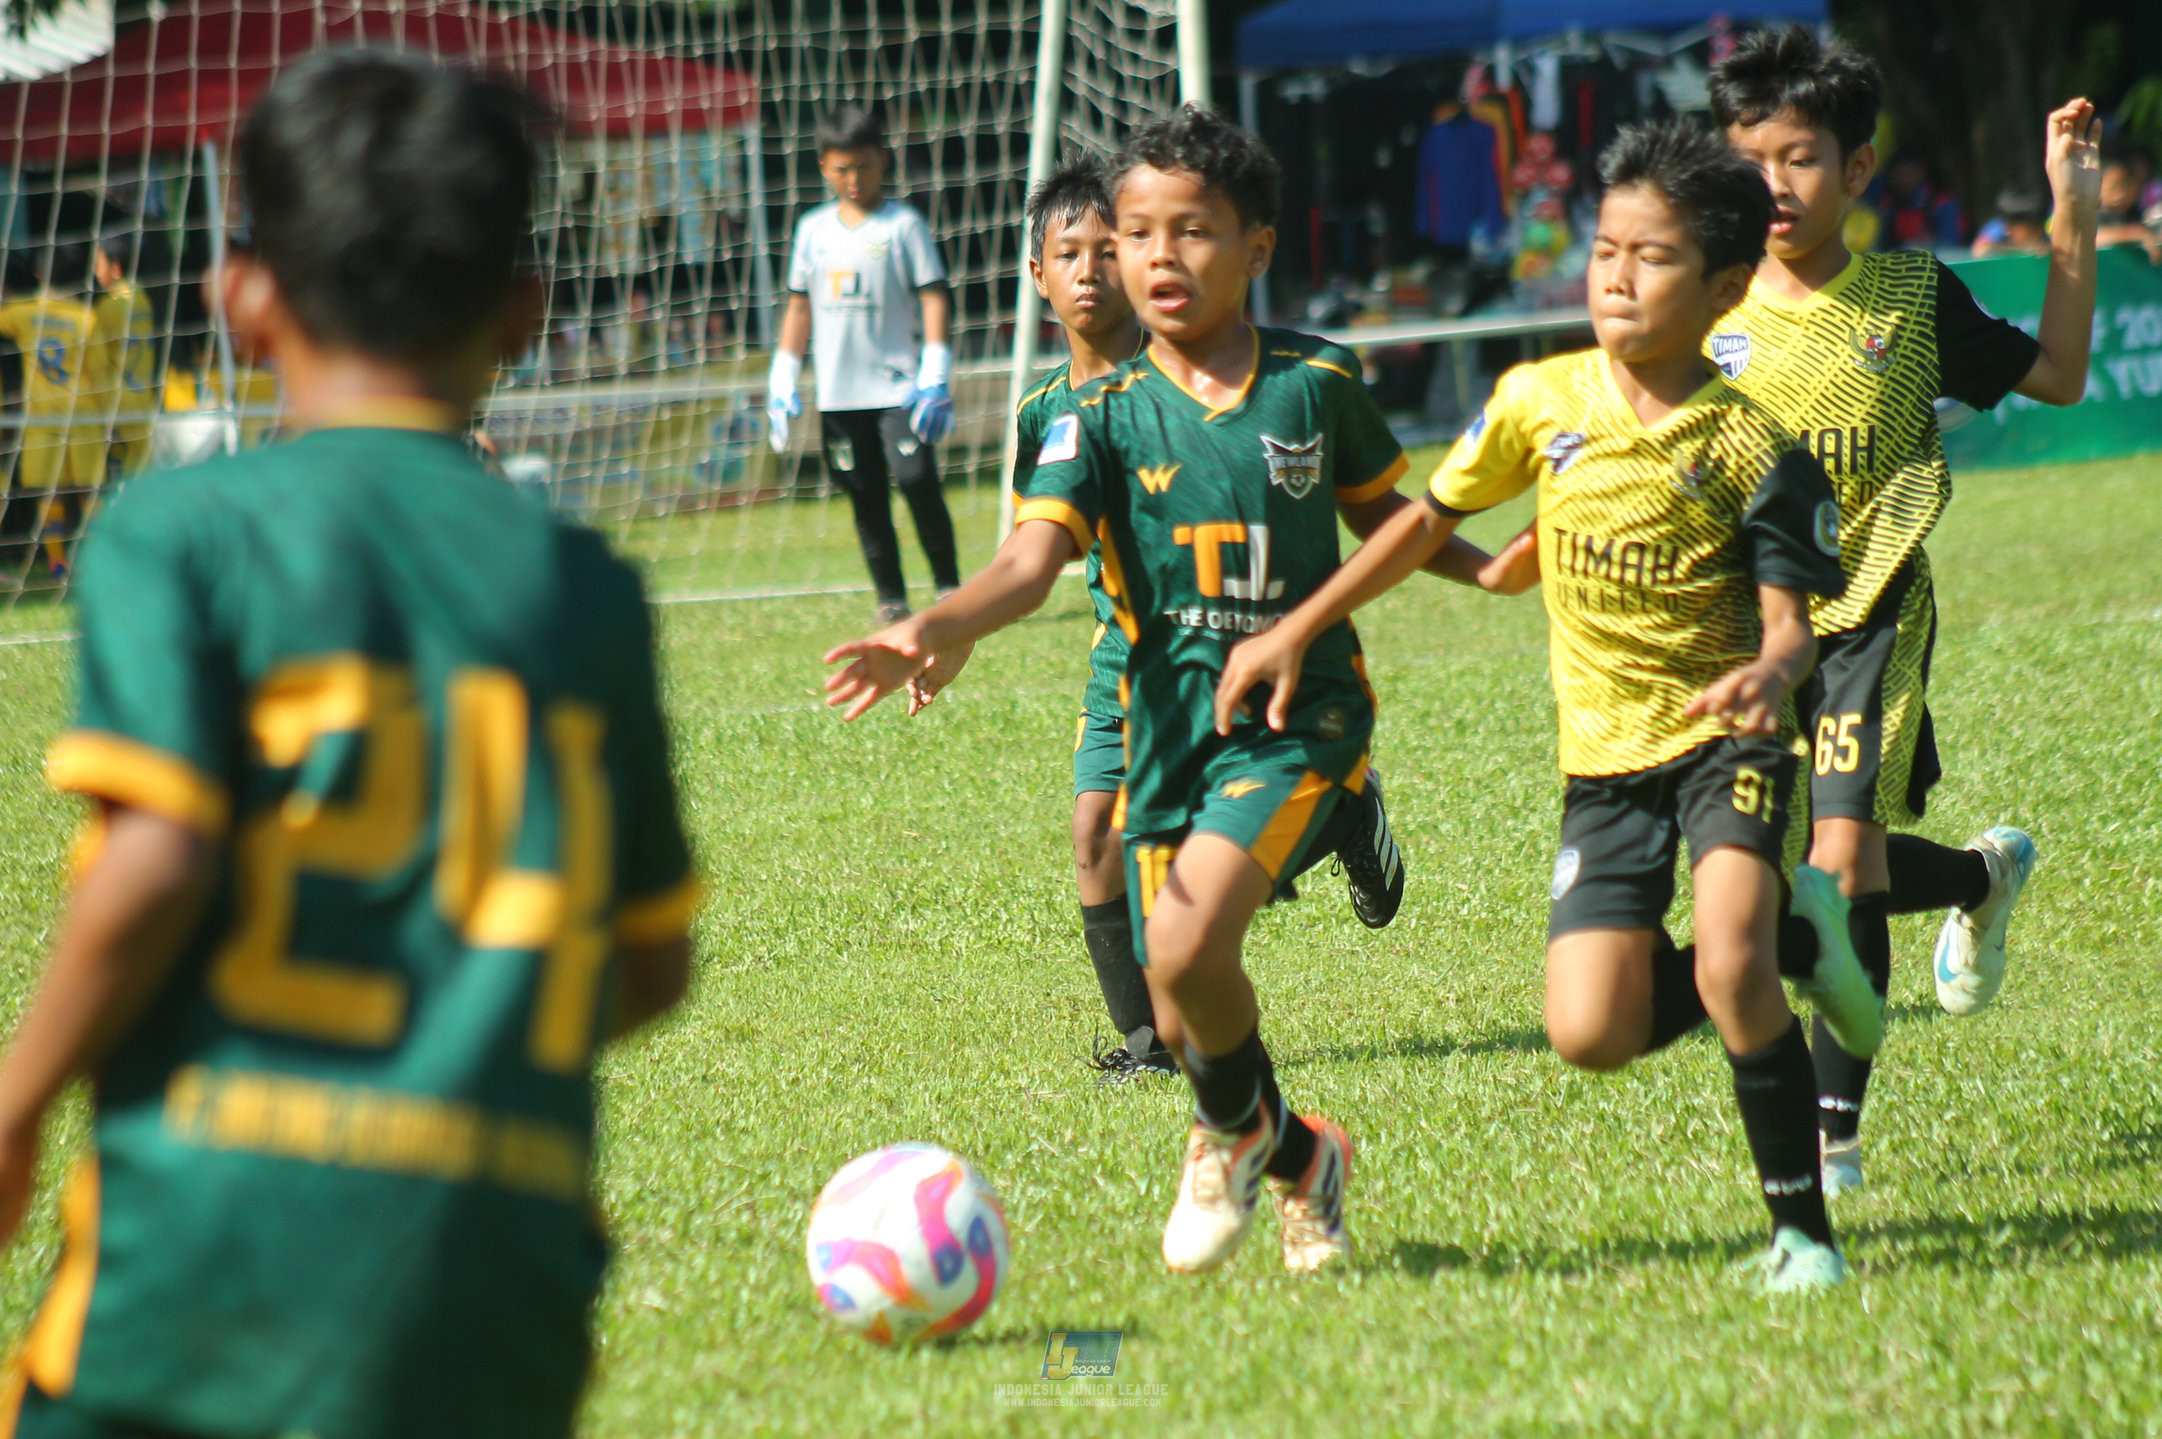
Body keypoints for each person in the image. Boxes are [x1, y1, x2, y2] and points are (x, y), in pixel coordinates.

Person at [0, 52, 698, 1438]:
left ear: (241, 296)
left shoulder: (180, 534)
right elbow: (647, 958)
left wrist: (15, 1104)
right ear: (524, 308)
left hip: (203, 1250)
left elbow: (158, 851)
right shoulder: (588, 587)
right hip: (493, 1287)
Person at [825, 106, 1496, 1276]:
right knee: (1188, 1021)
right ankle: (1295, 1158)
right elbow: (1030, 564)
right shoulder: (1087, 416)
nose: (1155, 258)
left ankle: (1223, 1133)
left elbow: (1391, 522)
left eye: (1192, 232)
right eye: (1135, 232)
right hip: (1165, 733)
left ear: (1258, 246)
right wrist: (933, 622)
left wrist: (1495, 565)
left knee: (1184, 954)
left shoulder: (1313, 385)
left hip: (1298, 719)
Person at [1216, 118, 1882, 1292]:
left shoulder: (1751, 446)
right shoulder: (1537, 398)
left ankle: (1801, 1235)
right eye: (1605, 250)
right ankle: (1802, 933)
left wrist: (1770, 676)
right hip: (1601, 762)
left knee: (1724, 967)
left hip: (1726, 740)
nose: (1617, 277)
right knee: (1589, 1031)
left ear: (1725, 287)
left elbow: (1790, 627)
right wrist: (1296, 624)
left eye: (1653, 257)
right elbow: (1424, 521)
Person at [906, 155, 1412, 1085]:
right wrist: (954, 631)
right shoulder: (1044, 412)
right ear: (1037, 276)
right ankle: (1148, 1045)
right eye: (1072, 254)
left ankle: (1345, 815)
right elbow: (1031, 552)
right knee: (1094, 833)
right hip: (1126, 658)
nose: (1095, 271)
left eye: (1113, 249)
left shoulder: (1188, 368)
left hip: (1243, 648)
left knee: (1214, 857)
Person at [1705, 26, 2099, 1194]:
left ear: (1858, 170)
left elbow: (2060, 374)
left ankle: (1832, 1137)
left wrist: (2067, 211)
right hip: (1742, 638)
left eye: (1801, 157)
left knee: (1835, 865)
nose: (1773, 185)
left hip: (1873, 614)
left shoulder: (1909, 297)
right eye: (1750, 159)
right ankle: (1979, 879)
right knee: (1783, 879)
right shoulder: (1698, 302)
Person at [769, 105, 961, 623]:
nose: (855, 180)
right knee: (864, 495)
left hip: (899, 389)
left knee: (917, 479)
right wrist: (782, 375)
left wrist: (935, 369)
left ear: (884, 161)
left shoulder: (903, 225)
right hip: (839, 394)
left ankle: (948, 587)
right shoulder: (812, 231)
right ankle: (891, 600)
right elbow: (799, 305)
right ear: (824, 168)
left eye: (865, 167)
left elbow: (934, 296)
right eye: (842, 169)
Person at [0, 244, 103, 573]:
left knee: (50, 492)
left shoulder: (23, 311)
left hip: (43, 416)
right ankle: (96, 557)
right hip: (82, 412)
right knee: (88, 490)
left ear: (38, 274)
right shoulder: (86, 317)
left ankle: (57, 562)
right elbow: (98, 370)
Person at [86, 227, 167, 481]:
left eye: (98, 264)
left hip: (117, 406)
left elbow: (96, 362)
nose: (95, 272)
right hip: (144, 399)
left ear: (115, 267)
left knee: (120, 478)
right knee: (142, 472)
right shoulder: (143, 300)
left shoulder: (106, 309)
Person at [1970, 187, 2051, 257]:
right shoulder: (1998, 226)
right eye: (2007, 223)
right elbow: (1980, 250)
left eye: (2013, 225)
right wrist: (2022, 250)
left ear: (2036, 227)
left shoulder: (2050, 230)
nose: (2007, 231)